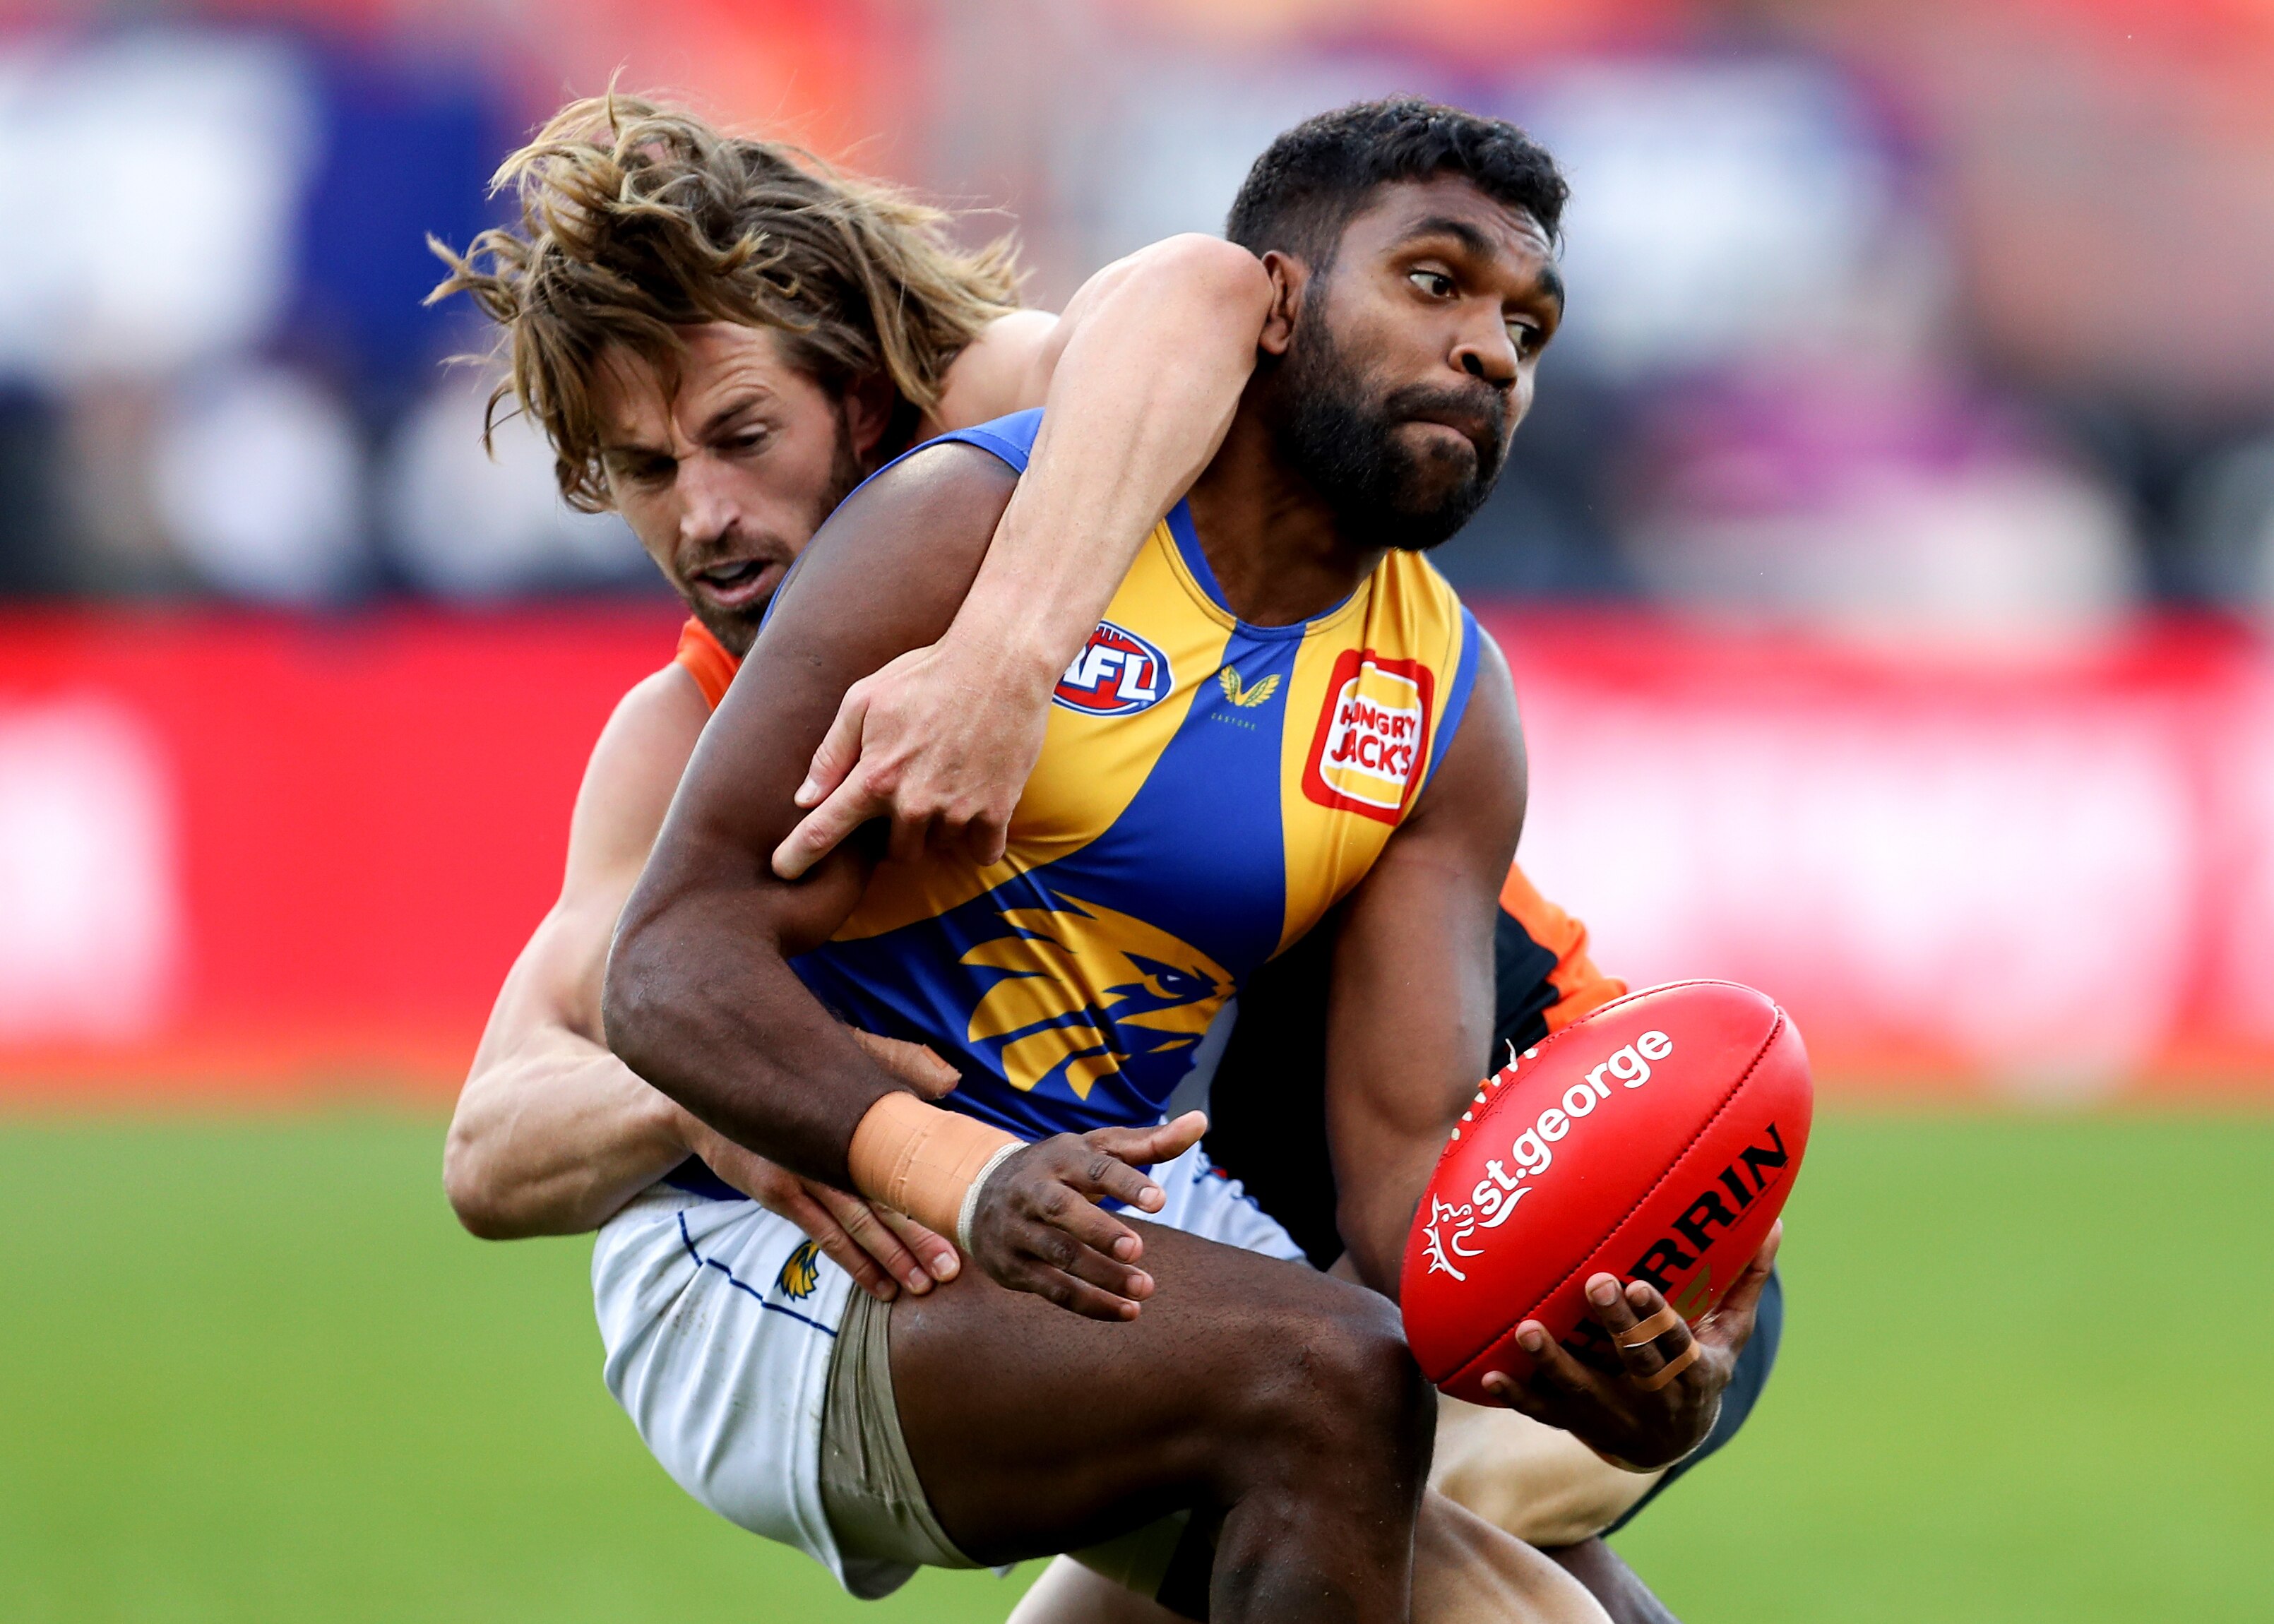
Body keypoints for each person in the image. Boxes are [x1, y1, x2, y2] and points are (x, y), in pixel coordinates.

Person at [435, 94, 1780, 1624]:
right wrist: (892, 1136)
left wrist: (1594, 1360)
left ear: (865, 406)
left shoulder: (1433, 692)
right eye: (1432, 282)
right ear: (1287, 304)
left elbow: (1403, 1204)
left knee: (1552, 1602)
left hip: (1124, 1195)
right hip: (802, 1256)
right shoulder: (878, 570)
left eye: (1526, 329)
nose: (706, 516)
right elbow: (563, 1074)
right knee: (1327, 1384)